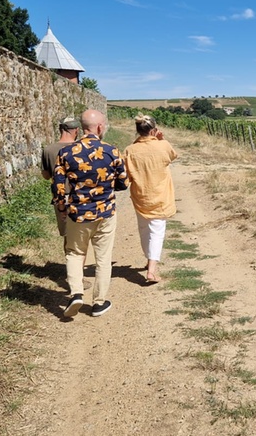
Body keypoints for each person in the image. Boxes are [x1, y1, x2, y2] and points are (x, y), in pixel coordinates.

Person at [52, 109, 128, 318]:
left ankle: (76, 292)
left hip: (78, 213)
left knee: (75, 253)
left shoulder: (66, 152)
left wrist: (62, 208)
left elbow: (58, 186)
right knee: (103, 258)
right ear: (100, 127)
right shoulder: (112, 151)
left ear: (82, 128)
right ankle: (98, 303)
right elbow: (124, 182)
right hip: (105, 213)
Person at [123, 114, 179, 283]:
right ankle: (152, 270)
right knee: (157, 232)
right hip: (160, 196)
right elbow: (173, 155)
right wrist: (161, 139)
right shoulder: (163, 146)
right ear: (154, 130)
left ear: (137, 131)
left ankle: (149, 261)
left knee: (144, 230)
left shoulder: (129, 150)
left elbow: (125, 174)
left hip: (141, 197)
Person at [41, 116, 80, 238]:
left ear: (60, 129)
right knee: (82, 233)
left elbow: (46, 176)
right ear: (76, 130)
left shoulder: (48, 150)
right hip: (81, 195)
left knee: (68, 235)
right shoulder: (82, 148)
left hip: (61, 197)